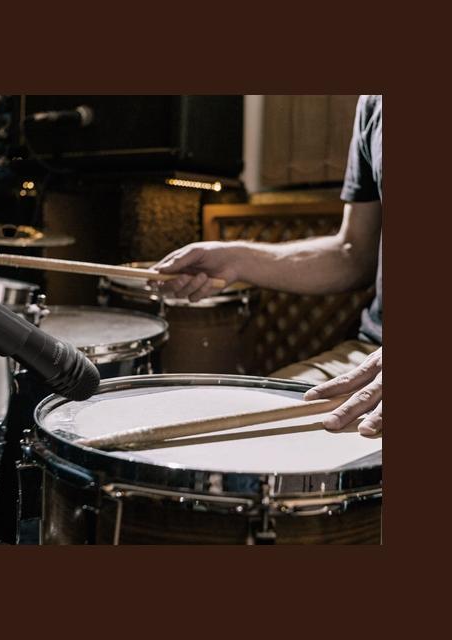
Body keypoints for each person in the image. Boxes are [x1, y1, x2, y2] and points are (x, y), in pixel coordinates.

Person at [153, 95, 382, 436]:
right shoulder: (374, 102)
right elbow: (354, 253)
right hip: (367, 356)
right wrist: (237, 259)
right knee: (225, 434)